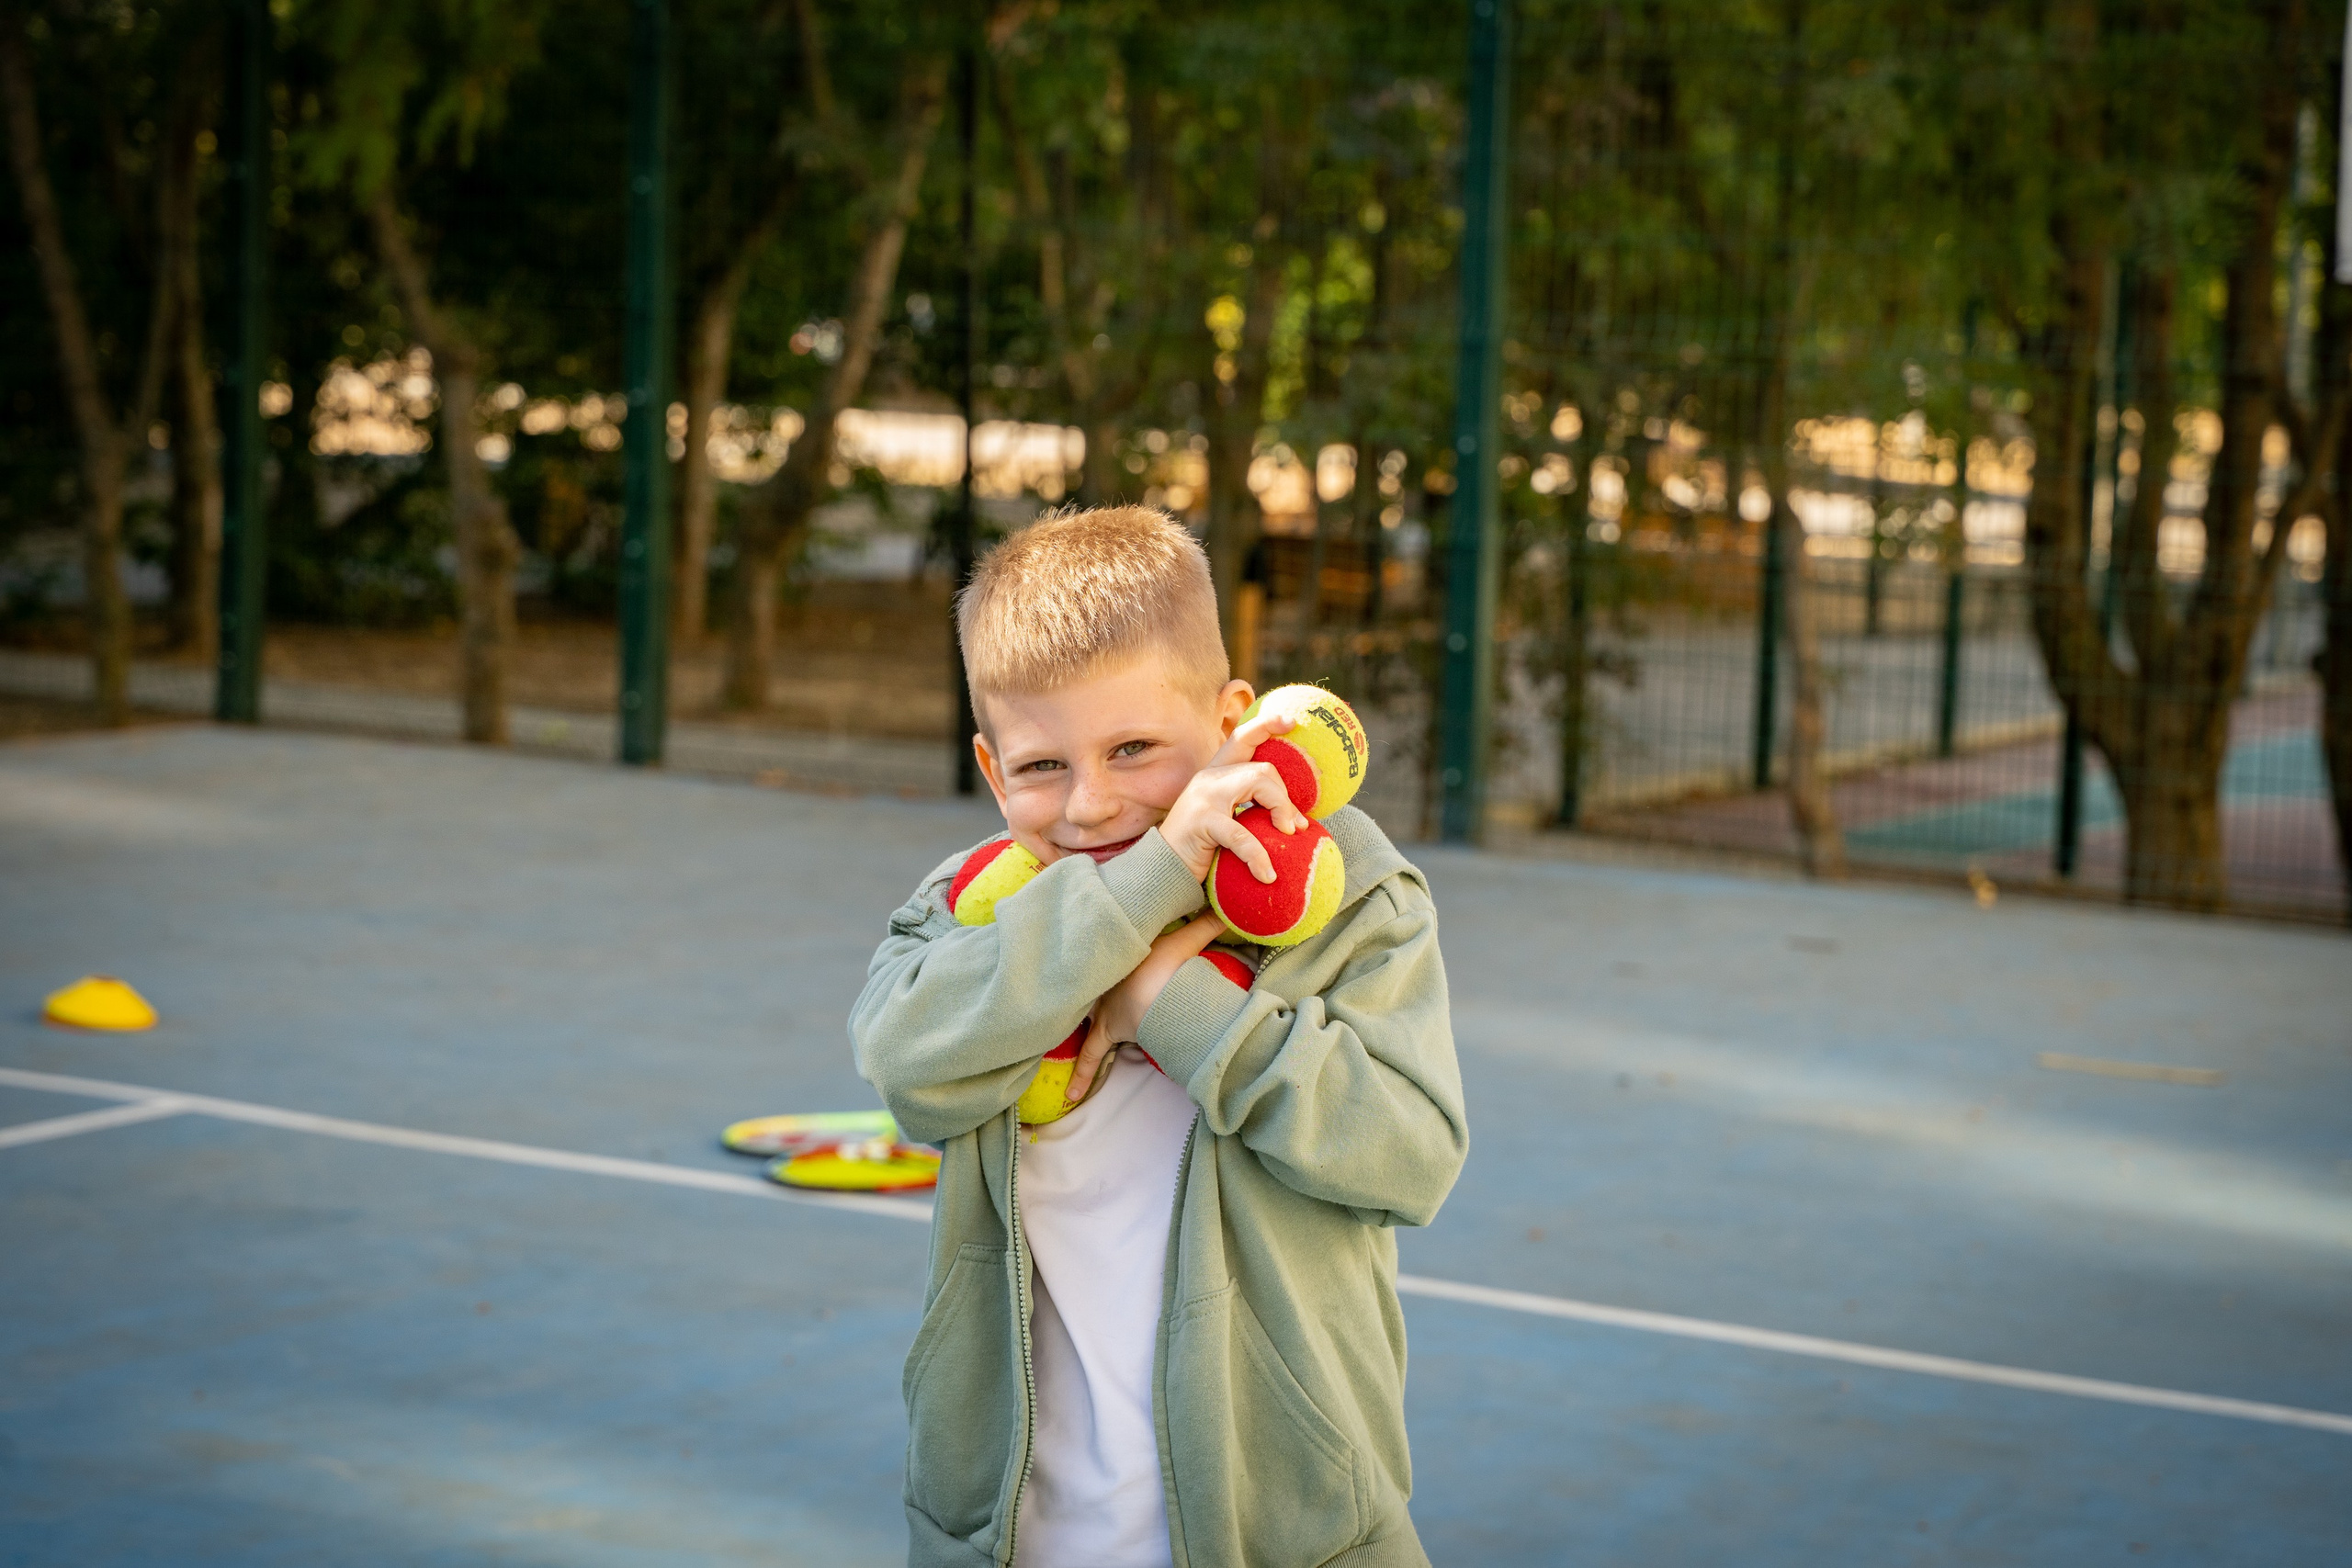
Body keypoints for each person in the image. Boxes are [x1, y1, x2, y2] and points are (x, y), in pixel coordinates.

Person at [852, 505, 1466, 1568]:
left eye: (1134, 747)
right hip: (1009, 1539)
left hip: (1287, 1537)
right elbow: (909, 1065)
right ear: (994, 774)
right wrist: (1142, 894)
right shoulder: (977, 910)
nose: (1091, 804)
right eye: (1042, 767)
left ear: (1234, 725)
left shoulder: (1352, 892)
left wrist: (1166, 1005)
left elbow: (1407, 1153)